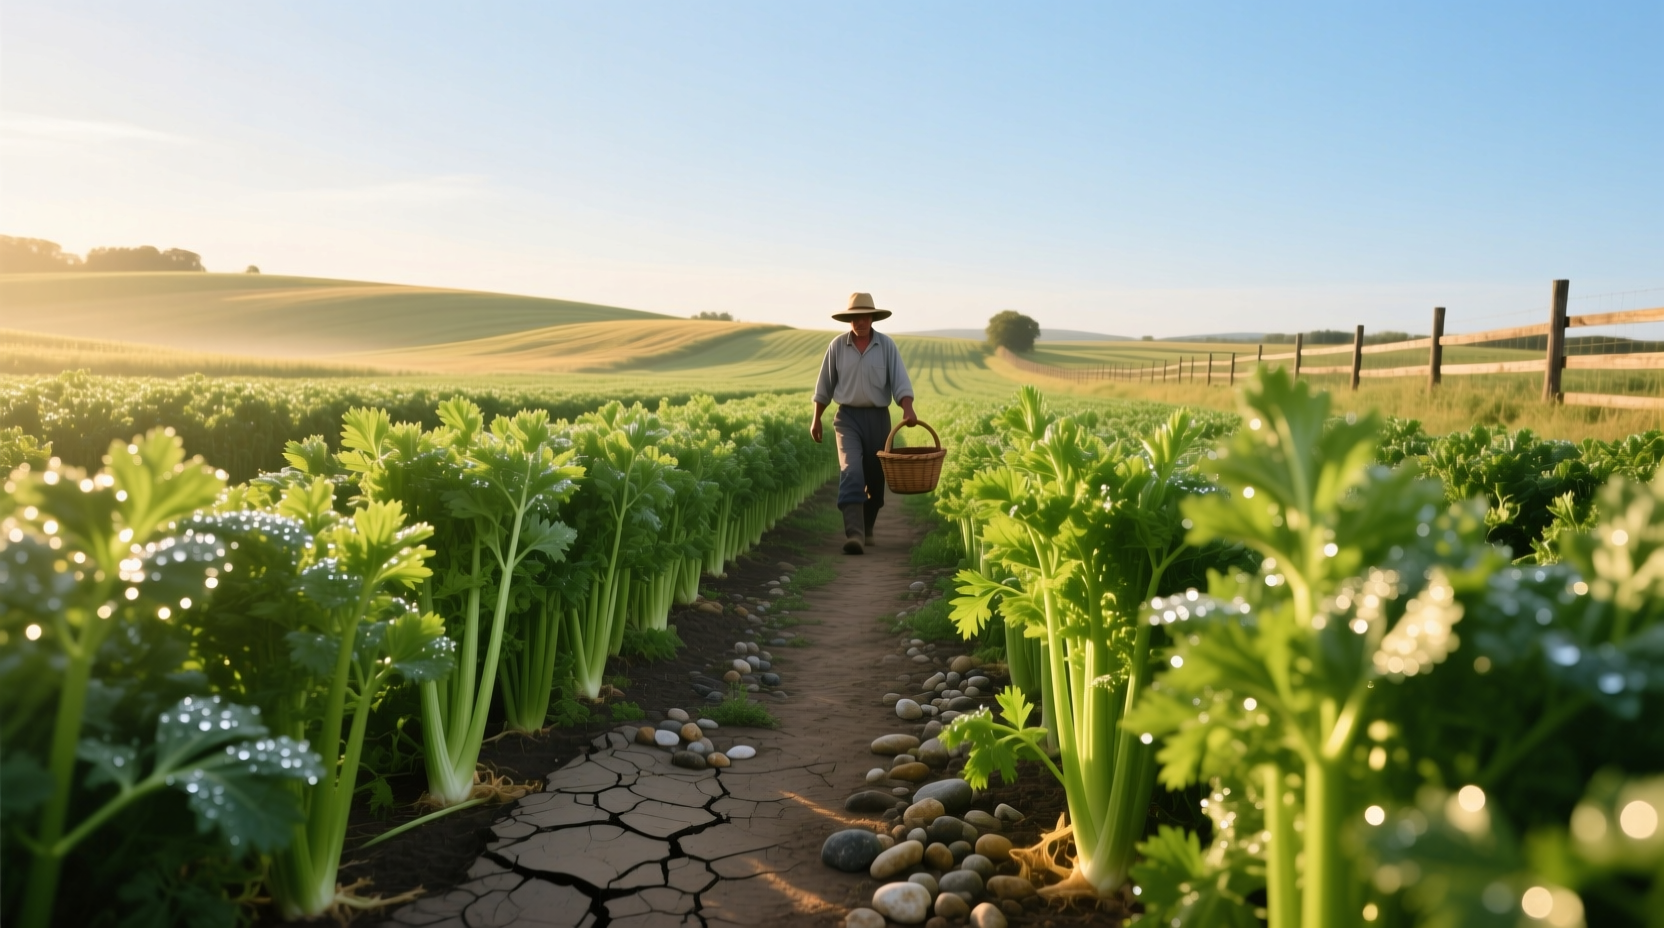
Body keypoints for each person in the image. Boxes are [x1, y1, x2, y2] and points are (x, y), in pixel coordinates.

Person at [811, 292, 917, 554]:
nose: (860, 322)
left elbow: (900, 381)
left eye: (864, 317)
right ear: (849, 320)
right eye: (855, 318)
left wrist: (907, 408)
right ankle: (855, 534)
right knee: (851, 472)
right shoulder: (837, 347)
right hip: (847, 418)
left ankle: (868, 526)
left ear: (872, 318)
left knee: (876, 480)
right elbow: (824, 386)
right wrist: (816, 419)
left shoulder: (886, 346)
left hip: (878, 419)